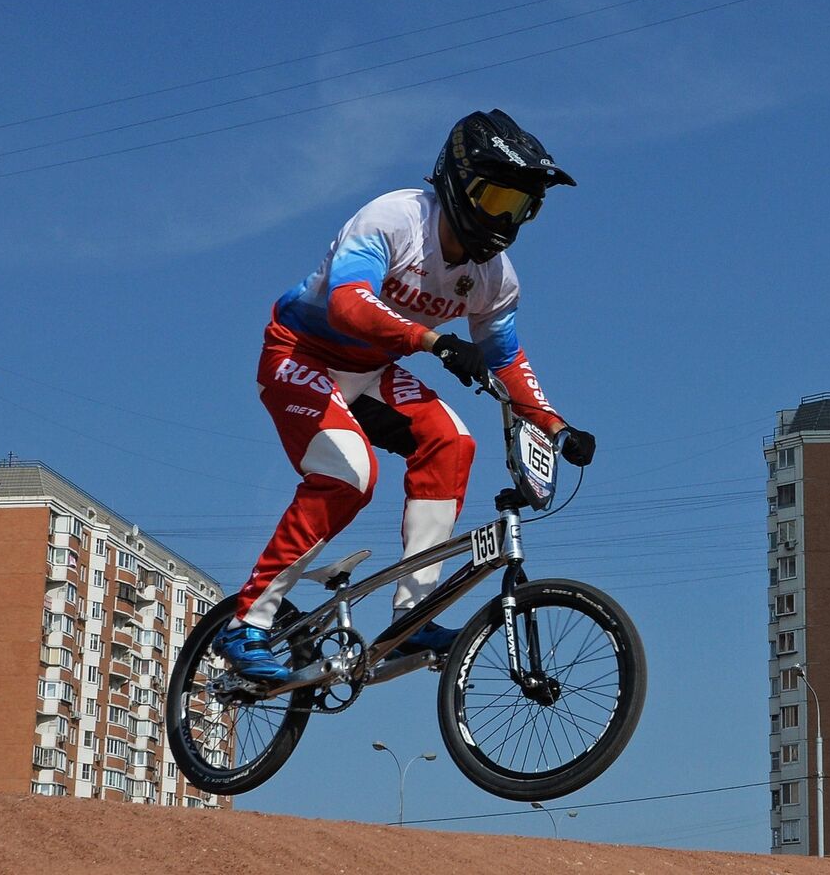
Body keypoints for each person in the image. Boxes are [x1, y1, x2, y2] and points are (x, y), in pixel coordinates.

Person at [215, 109, 595, 681]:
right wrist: (432, 341)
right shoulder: (395, 218)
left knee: (453, 443)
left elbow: (506, 358)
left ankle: (411, 618)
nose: (502, 219)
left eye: (519, 208)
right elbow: (347, 304)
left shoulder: (497, 279)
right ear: (457, 184)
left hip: (368, 372)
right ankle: (248, 619)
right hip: (300, 355)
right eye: (494, 199)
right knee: (349, 476)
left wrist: (556, 426)